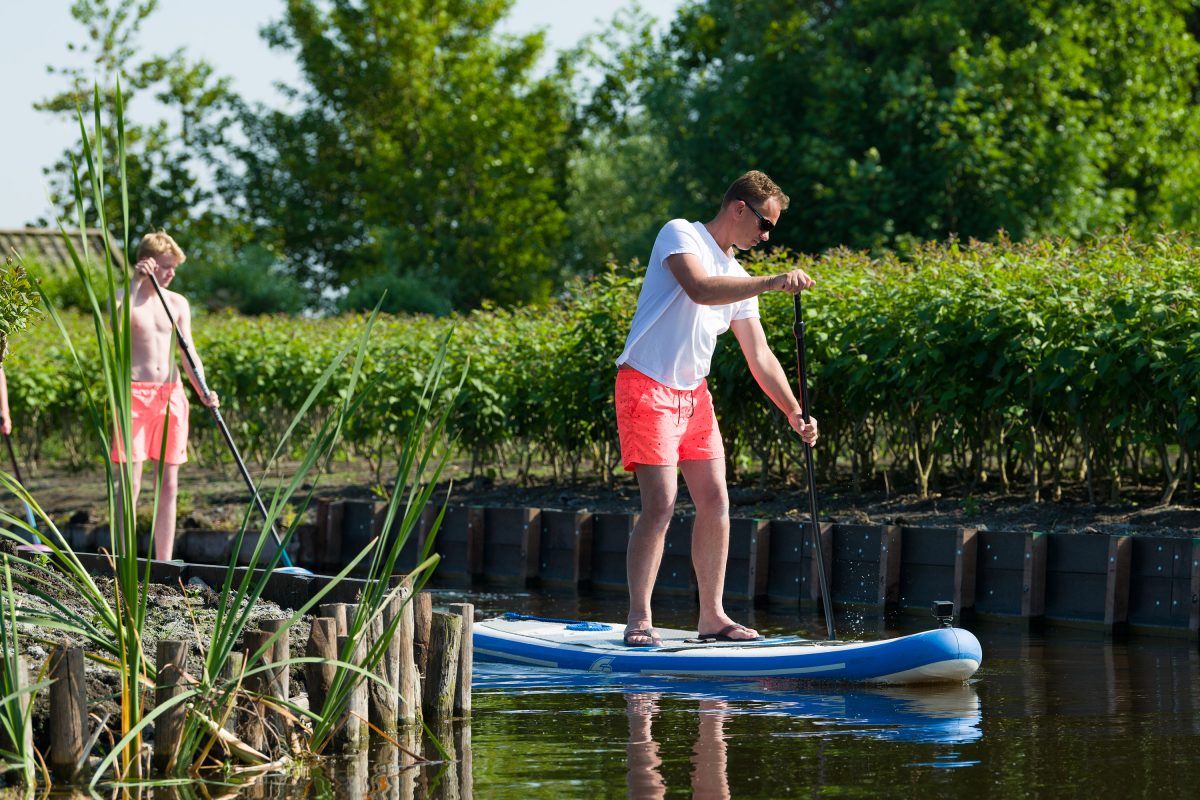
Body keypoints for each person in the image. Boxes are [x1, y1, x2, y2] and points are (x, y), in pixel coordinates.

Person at [614, 170, 819, 646]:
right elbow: (701, 289)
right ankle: (639, 620)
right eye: (764, 225)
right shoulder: (680, 233)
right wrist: (770, 283)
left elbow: (760, 356)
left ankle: (712, 617)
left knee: (716, 502)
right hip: (646, 385)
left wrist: (794, 411)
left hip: (694, 396)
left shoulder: (742, 278)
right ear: (738, 208)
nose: (767, 237)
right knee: (661, 504)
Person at [111, 231, 218, 561]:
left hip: (170, 395)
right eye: (167, 267)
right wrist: (135, 282)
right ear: (149, 263)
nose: (172, 273)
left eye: (174, 267)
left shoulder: (178, 303)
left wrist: (204, 390)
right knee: (130, 482)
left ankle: (164, 562)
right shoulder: (124, 297)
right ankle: (124, 561)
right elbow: (116, 329)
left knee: (168, 483)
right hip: (132, 396)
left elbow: (189, 353)